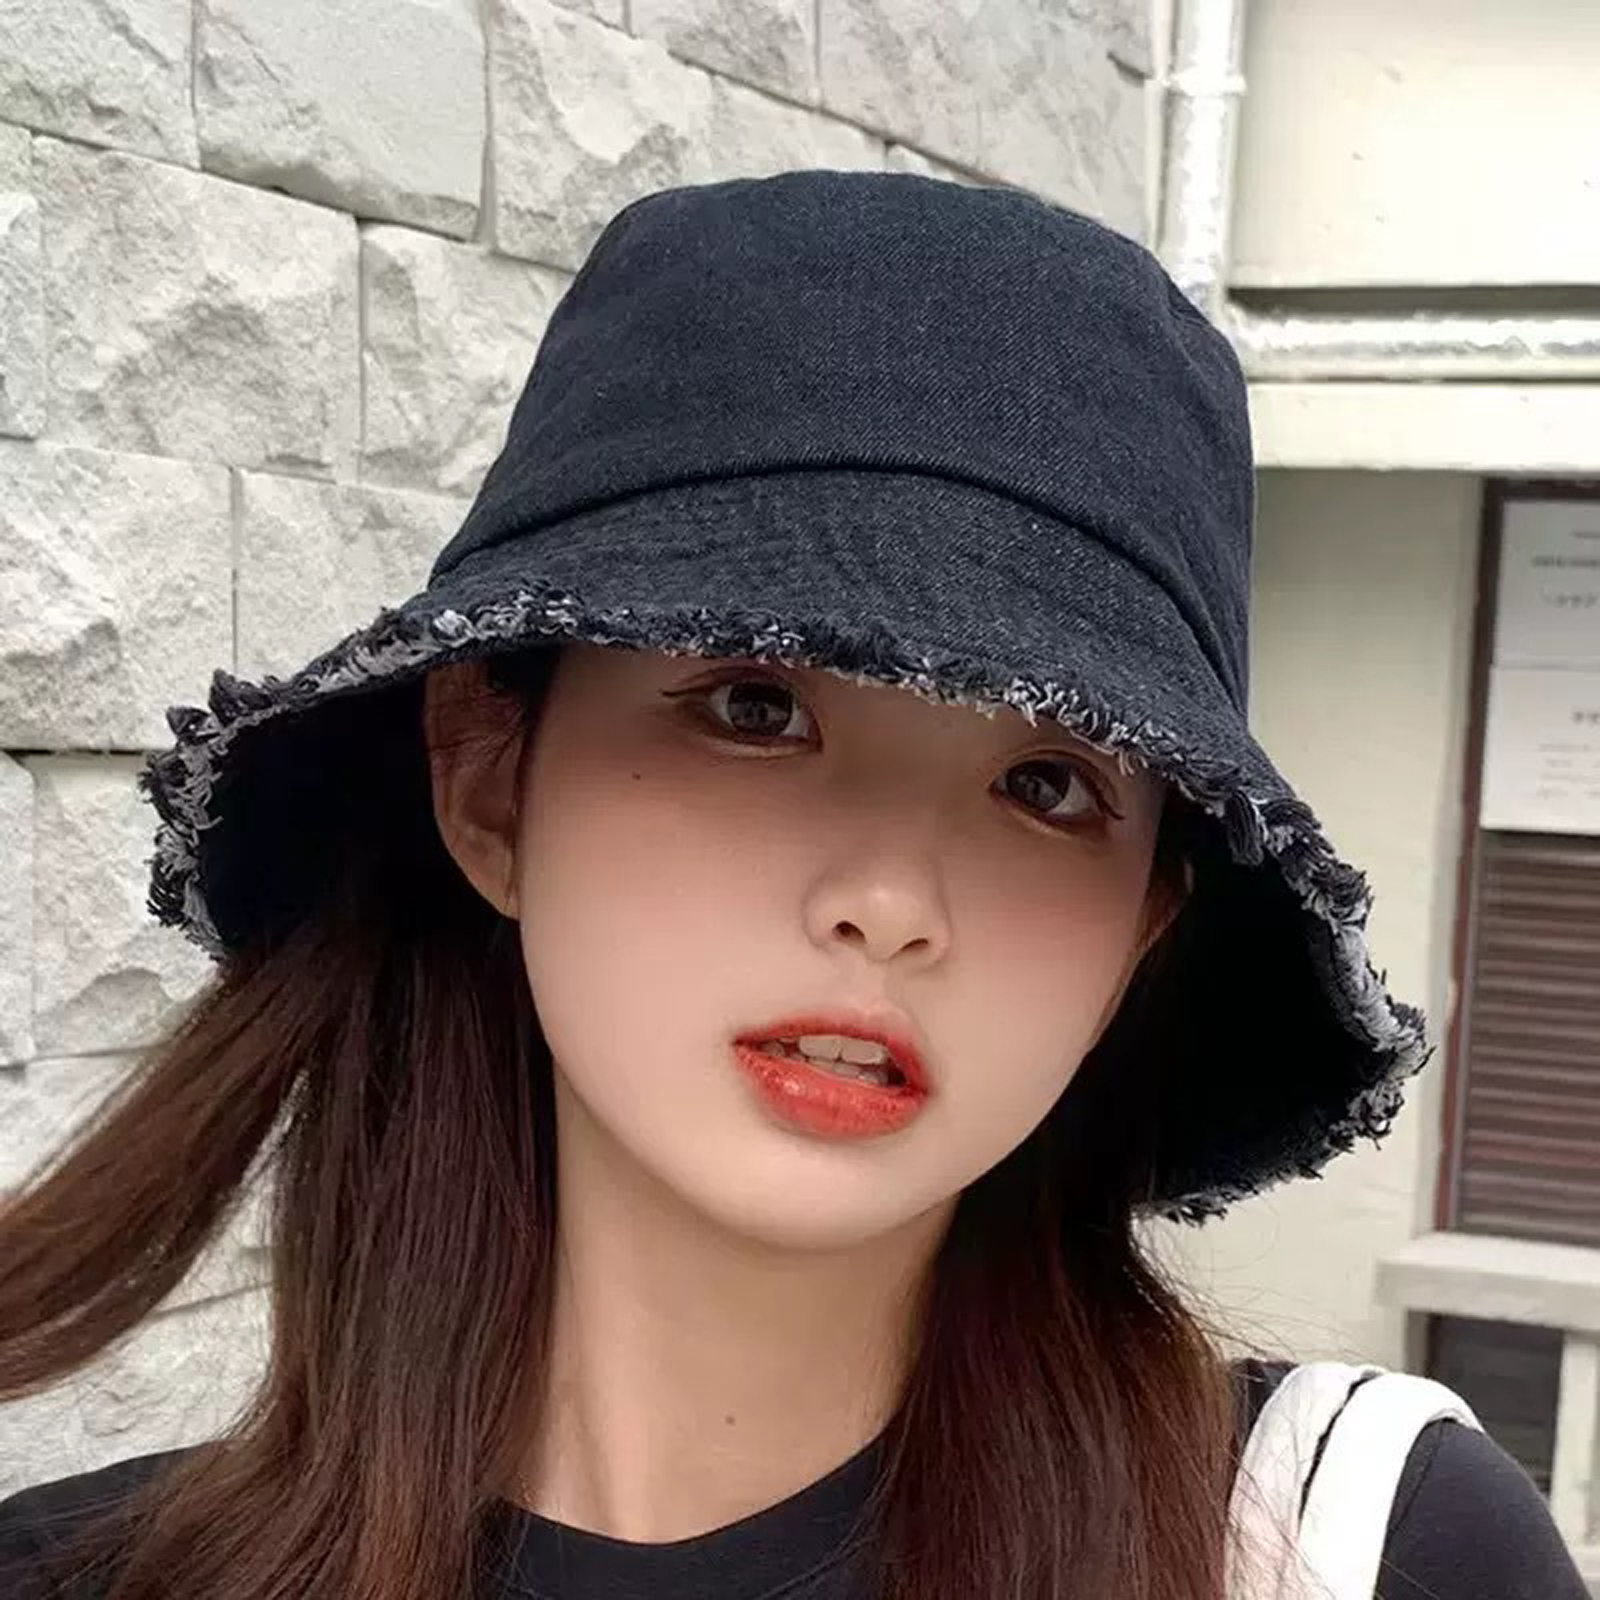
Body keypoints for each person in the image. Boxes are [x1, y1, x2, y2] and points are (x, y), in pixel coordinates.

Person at [0, 170, 1586, 1600]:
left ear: (1141, 934)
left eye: (1049, 786)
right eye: (756, 708)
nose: (889, 899)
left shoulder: (1360, 1552)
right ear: (490, 782)